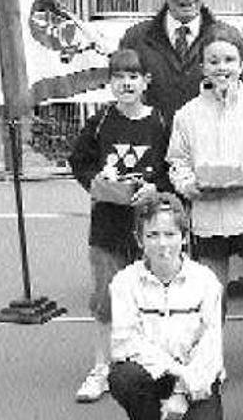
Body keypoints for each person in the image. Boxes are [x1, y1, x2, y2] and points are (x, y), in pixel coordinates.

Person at [68, 48, 171, 403]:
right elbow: (79, 162)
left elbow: (171, 168)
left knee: (153, 296)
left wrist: (155, 187)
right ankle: (101, 368)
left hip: (148, 228)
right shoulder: (99, 123)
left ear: (146, 82)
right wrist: (96, 183)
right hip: (107, 227)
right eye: (118, 77)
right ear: (110, 83)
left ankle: (152, 365)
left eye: (133, 77)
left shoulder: (160, 122)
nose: (126, 83)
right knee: (106, 299)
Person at [167, 24, 243, 298]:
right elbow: (178, 163)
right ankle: (210, 342)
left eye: (229, 60)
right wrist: (189, 186)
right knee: (210, 297)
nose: (221, 67)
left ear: (242, 64)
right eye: (213, 61)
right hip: (208, 219)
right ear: (202, 67)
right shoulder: (187, 114)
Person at [108, 192, 225, 420]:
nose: (162, 244)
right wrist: (174, 371)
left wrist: (183, 389)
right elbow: (126, 343)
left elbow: (211, 347)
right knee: (124, 376)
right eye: (152, 235)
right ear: (139, 239)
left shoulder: (206, 280)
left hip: (195, 377)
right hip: (152, 375)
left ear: (184, 237)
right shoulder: (123, 282)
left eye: (170, 234)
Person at [119, 0, 243, 128]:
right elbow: (123, 98)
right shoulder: (135, 40)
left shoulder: (229, 40)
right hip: (153, 149)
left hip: (210, 148)